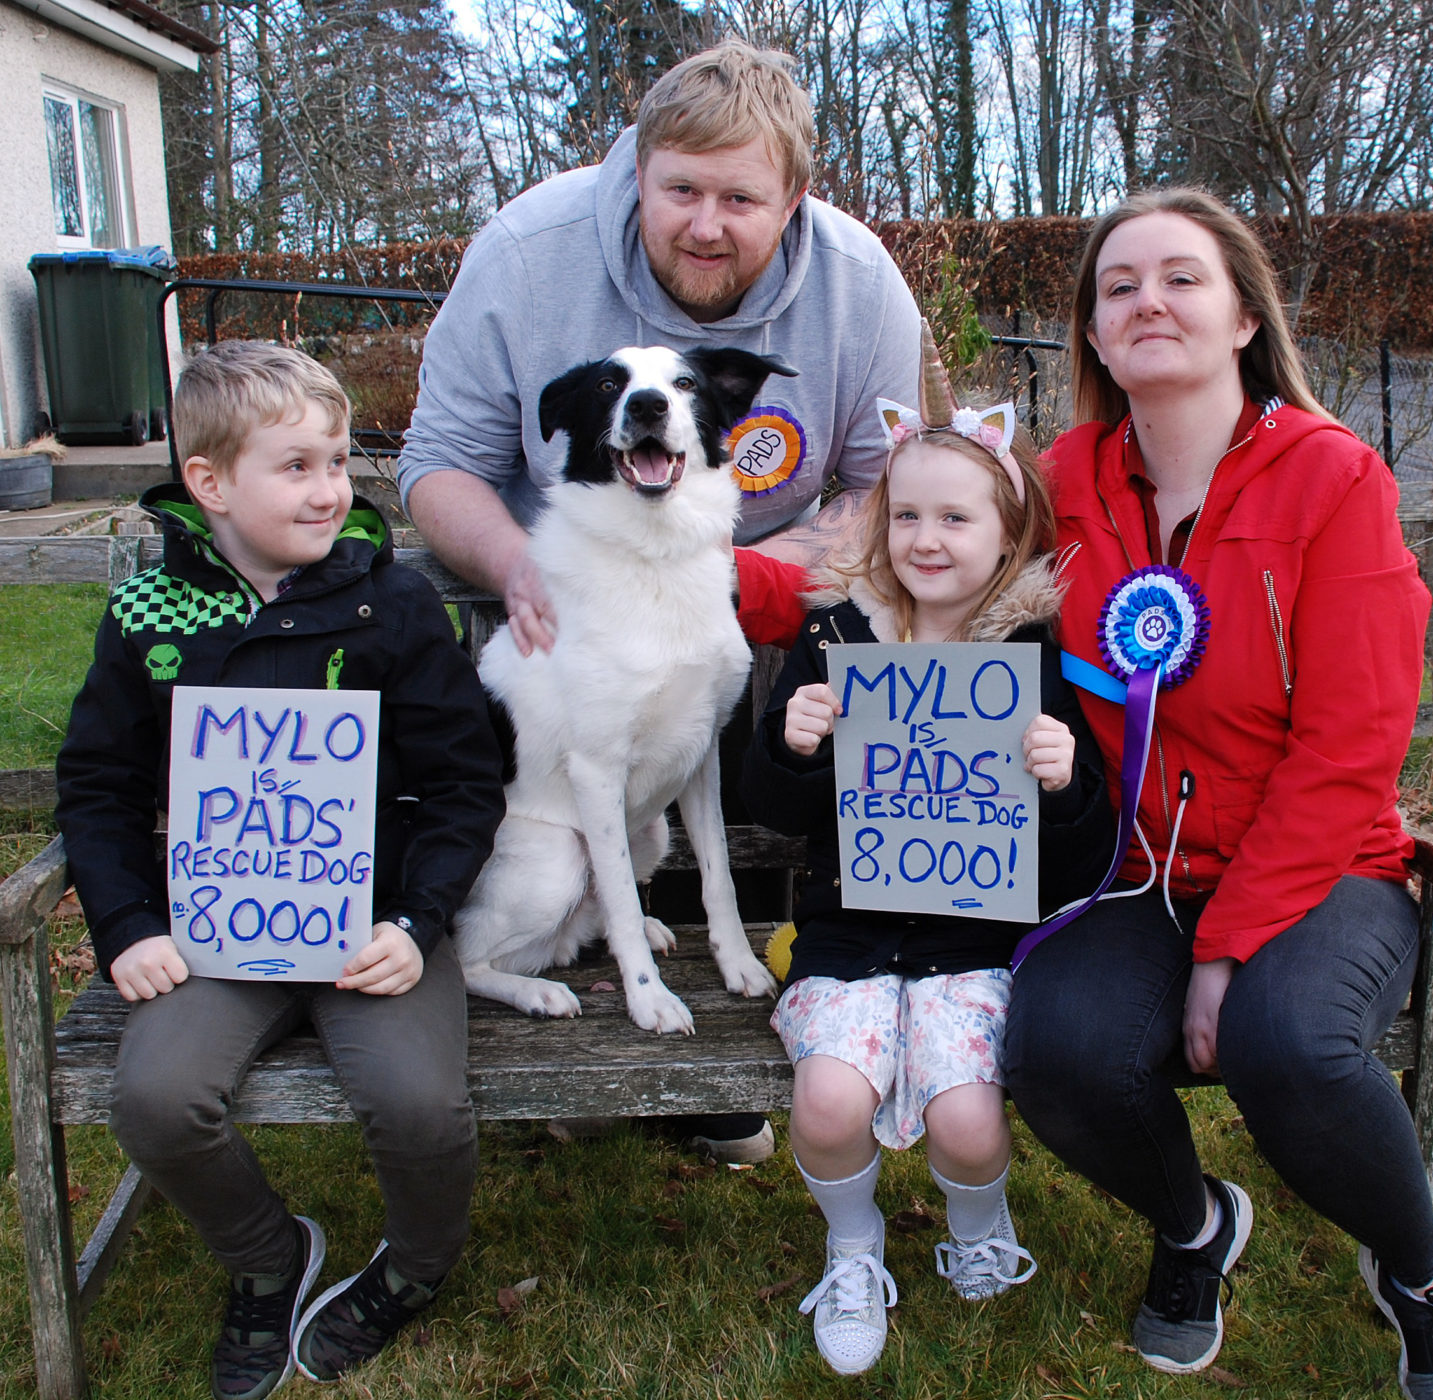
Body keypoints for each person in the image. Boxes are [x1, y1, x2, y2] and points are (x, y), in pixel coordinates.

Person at [1001, 189, 1433, 1397]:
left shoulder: (1334, 478)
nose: (1148, 300)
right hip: (1138, 867)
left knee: (1289, 1042)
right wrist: (722, 573)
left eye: (1182, 277)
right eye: (1119, 286)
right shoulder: (1057, 482)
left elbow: (1350, 747)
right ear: (1094, 334)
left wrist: (1229, 944)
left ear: (1242, 318)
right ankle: (1196, 1227)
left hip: (1324, 864)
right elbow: (908, 548)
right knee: (1051, 1045)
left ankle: (1425, 1275)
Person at [396, 38, 921, 1163]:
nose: (705, 225)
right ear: (635, 170)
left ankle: (732, 1048)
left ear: (796, 196)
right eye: (680, 190)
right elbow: (437, 460)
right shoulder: (527, 252)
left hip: (766, 621)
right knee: (597, 786)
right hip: (569, 614)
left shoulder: (862, 283)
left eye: (741, 199)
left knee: (720, 763)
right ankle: (611, 1046)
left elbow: (896, 486)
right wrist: (518, 566)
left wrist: (763, 574)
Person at [54, 342, 506, 1400]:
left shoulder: (393, 607)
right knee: (157, 1097)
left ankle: (417, 1263)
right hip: (214, 928)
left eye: (338, 462)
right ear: (210, 483)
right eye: (296, 465)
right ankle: (269, 1255)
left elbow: (464, 782)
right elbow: (99, 785)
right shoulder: (147, 617)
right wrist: (125, 924)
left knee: (420, 1106)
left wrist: (418, 920)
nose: (329, 488)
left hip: (373, 925)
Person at [739, 329, 1115, 1375]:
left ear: (1008, 532)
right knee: (827, 1102)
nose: (926, 537)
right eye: (905, 514)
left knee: (968, 1121)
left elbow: (1077, 857)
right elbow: (772, 808)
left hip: (975, 944)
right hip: (847, 935)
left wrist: (1064, 781)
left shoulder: (1033, 655)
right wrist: (792, 742)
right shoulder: (836, 639)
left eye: (956, 517)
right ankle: (853, 1245)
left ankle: (979, 1225)